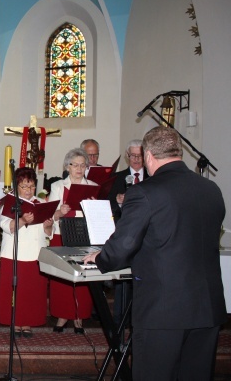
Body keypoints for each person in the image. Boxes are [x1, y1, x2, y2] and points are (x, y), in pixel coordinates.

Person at [84, 127, 226, 380]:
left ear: (148, 156)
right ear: (179, 152)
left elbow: (124, 245)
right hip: (208, 308)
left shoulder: (145, 191)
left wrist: (102, 257)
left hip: (164, 310)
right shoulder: (211, 189)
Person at [0, 168, 52, 338]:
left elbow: (48, 232)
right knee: (15, 290)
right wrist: (22, 220)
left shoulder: (41, 203)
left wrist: (48, 223)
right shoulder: (8, 203)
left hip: (35, 253)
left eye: (32, 187)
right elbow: (7, 227)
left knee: (32, 291)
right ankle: (15, 322)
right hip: (14, 253)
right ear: (16, 186)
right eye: (24, 187)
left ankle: (27, 321)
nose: (29, 191)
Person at [48, 148, 96, 333]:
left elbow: (98, 216)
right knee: (62, 277)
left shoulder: (92, 185)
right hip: (62, 234)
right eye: (74, 165)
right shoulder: (58, 186)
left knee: (82, 275)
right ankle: (62, 316)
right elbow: (51, 214)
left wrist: (92, 206)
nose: (79, 168)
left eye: (82, 165)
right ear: (67, 167)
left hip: (83, 235)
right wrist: (60, 212)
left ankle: (79, 317)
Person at [107, 139, 148, 327]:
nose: (136, 159)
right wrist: (117, 202)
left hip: (147, 235)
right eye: (133, 156)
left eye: (140, 155)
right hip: (124, 234)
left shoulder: (153, 176)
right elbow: (107, 207)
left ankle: (139, 319)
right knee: (122, 281)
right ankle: (119, 322)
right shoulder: (117, 178)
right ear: (127, 156)